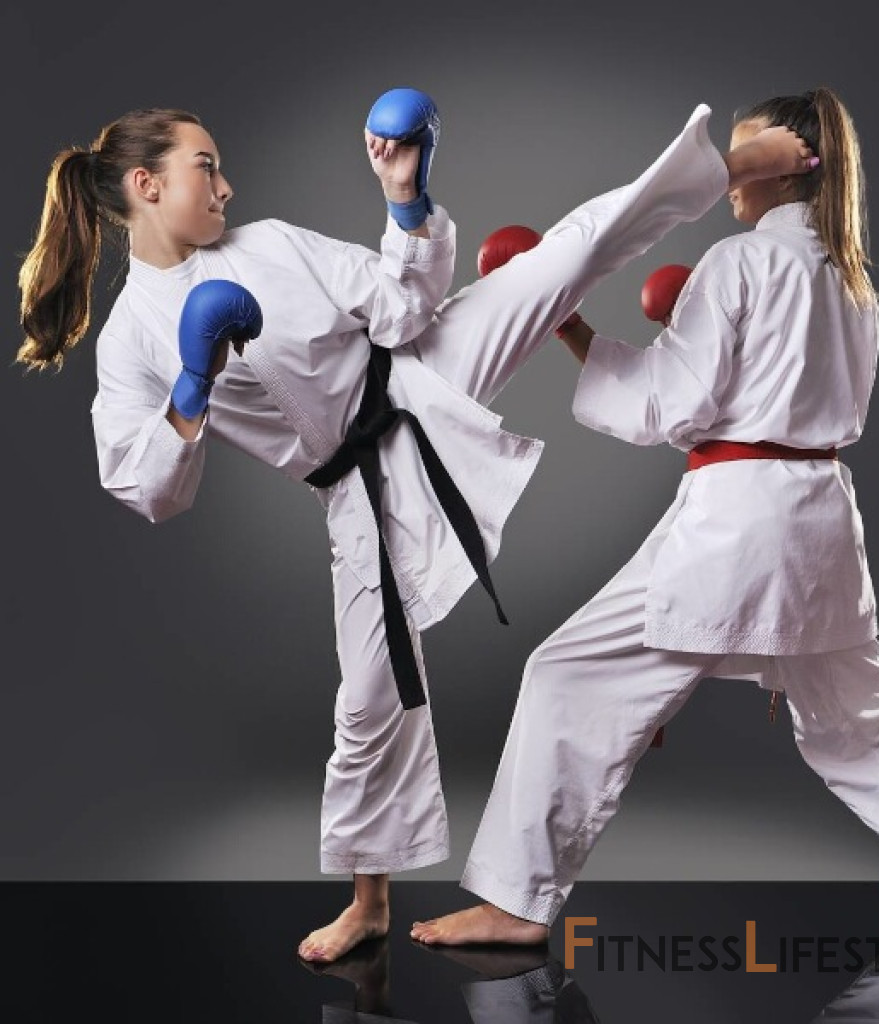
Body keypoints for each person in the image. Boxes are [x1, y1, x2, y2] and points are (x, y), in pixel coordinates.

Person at [14, 95, 816, 963]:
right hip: (357, 487)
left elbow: (402, 311)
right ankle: (369, 905)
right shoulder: (132, 339)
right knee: (370, 701)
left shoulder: (269, 243)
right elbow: (149, 490)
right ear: (147, 185)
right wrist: (192, 384)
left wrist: (405, 200)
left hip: (421, 374)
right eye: (205, 167)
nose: (225, 185)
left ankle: (737, 165)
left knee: (571, 251)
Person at [409, 86, 879, 949]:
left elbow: (672, 408)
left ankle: (514, 904)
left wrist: (568, 327)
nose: (731, 184)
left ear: (782, 168)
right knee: (854, 710)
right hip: (824, 520)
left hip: (738, 521)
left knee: (568, 678)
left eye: (744, 162)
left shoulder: (739, 263)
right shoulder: (854, 283)